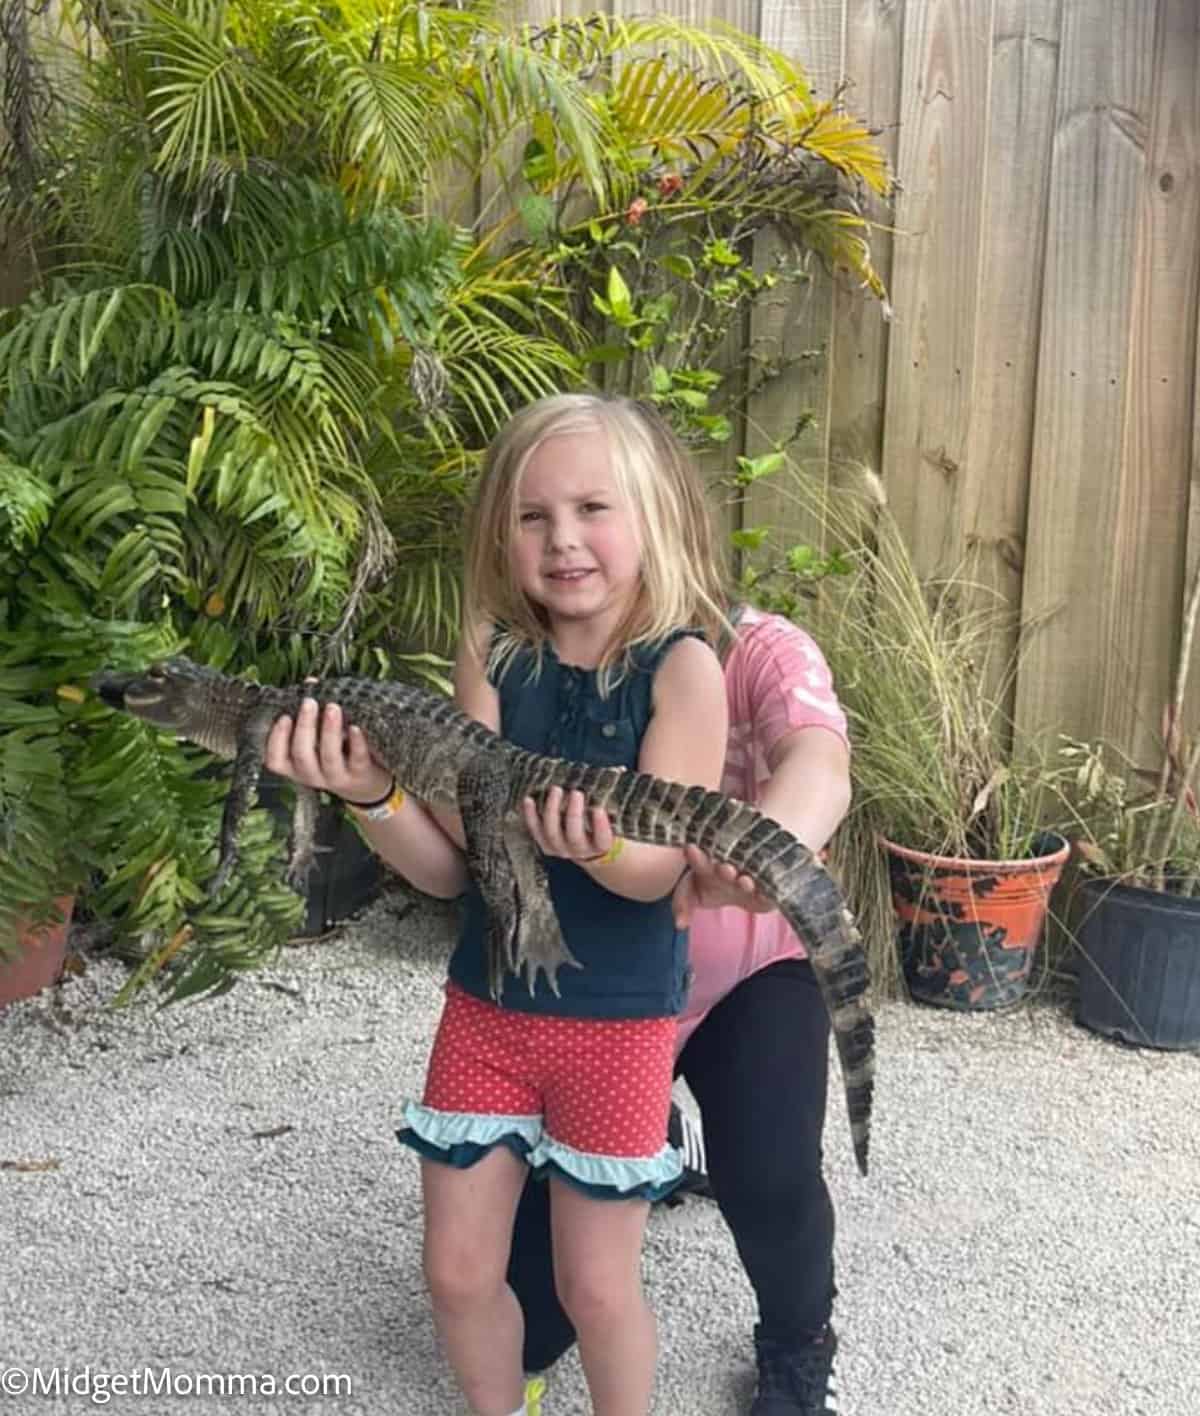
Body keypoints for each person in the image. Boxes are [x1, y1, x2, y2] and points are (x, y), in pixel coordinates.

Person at [264, 392, 731, 1416]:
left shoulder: (685, 670)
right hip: (486, 1009)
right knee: (460, 1275)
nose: (563, 539)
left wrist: (603, 844)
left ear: (653, 514)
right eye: (532, 517)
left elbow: (661, 871)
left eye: (593, 509)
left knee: (596, 1287)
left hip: (617, 1024)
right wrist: (370, 792)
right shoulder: (495, 649)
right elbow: (447, 869)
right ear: (502, 534)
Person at [505, 602, 853, 1416]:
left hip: (746, 975)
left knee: (768, 1180)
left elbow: (819, 764)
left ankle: (799, 1344)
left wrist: (766, 852)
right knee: (527, 1317)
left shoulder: (760, 648)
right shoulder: (536, 659)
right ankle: (654, 1128)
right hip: (603, 998)